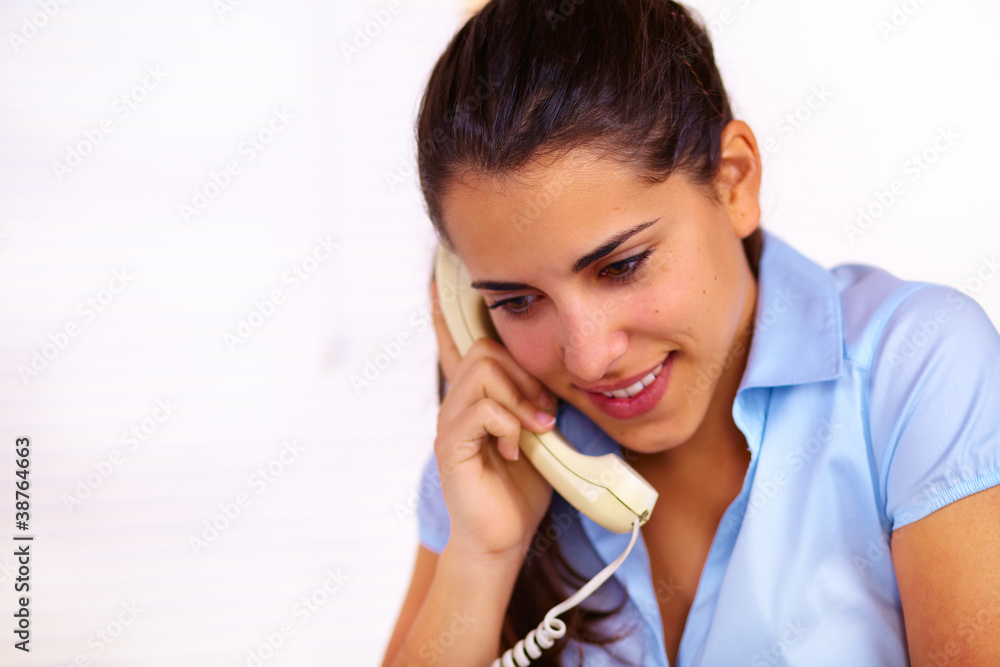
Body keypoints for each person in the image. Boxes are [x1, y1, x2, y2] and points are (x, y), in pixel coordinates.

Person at [381, 1, 1000, 665]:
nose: (589, 358)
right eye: (518, 301)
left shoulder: (917, 369)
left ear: (734, 181)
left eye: (621, 266)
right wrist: (481, 557)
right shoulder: (491, 456)